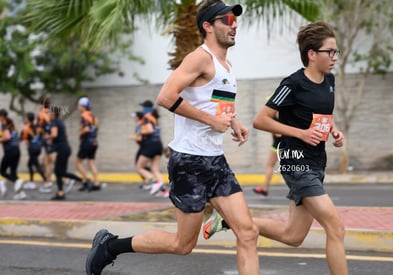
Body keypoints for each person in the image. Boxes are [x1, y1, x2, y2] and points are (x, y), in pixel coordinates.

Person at [85, 1, 260, 275]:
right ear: (208, 26)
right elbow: (166, 97)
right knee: (182, 244)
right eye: (226, 19)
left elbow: (215, 102)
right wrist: (213, 121)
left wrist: (233, 121)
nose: (234, 24)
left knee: (248, 232)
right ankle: (110, 247)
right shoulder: (199, 58)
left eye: (235, 19)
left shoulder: (226, 64)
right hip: (189, 162)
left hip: (215, 162)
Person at [203, 22, 349, 275]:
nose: (335, 57)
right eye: (330, 52)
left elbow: (321, 115)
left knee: (293, 236)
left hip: (316, 163)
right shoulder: (293, 84)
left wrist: (333, 130)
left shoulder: (330, 81)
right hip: (296, 163)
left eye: (336, 52)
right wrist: (301, 133)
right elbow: (262, 119)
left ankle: (229, 221)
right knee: (335, 228)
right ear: (312, 54)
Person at [43, 102, 85, 200]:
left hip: (62, 150)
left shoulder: (54, 123)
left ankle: (83, 181)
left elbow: (54, 134)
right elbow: (64, 135)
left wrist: (47, 137)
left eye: (49, 112)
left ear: (53, 113)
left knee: (59, 172)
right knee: (60, 172)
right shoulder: (59, 122)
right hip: (64, 149)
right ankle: (61, 192)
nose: (48, 114)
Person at [135, 100, 167, 196]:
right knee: (155, 169)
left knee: (139, 167)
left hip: (150, 145)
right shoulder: (154, 117)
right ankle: (164, 191)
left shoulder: (146, 118)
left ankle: (155, 183)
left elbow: (150, 130)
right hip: (158, 145)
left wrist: (140, 132)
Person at [252, 114, 282, 197]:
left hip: (278, 145)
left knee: (270, 166)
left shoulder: (275, 116)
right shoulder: (284, 115)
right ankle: (264, 187)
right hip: (281, 144)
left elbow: (278, 134)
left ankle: (265, 188)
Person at [0, 109, 26, 200]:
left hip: (10, 151)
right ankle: (21, 193)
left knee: (2, 171)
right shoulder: (12, 124)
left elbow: (7, 137)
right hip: (16, 150)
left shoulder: (4, 125)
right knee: (13, 172)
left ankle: (18, 181)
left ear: (2, 117)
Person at [76, 97, 99, 192]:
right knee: (91, 162)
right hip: (94, 141)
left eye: (79, 105)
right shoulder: (94, 116)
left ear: (83, 106)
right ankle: (96, 182)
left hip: (86, 142)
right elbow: (96, 130)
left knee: (78, 162)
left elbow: (86, 129)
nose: (78, 107)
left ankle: (86, 181)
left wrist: (80, 133)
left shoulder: (84, 116)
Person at [20, 112, 47, 189]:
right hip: (38, 148)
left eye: (25, 117)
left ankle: (46, 181)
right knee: (30, 164)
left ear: (28, 119)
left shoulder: (26, 128)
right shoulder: (38, 127)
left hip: (32, 149)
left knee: (36, 165)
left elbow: (21, 138)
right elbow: (43, 134)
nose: (25, 119)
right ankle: (32, 181)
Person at [36, 95, 55, 193]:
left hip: (47, 140)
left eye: (38, 104)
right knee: (46, 161)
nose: (38, 106)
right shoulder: (51, 112)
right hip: (52, 139)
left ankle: (65, 178)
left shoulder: (41, 114)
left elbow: (39, 129)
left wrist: (38, 133)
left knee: (49, 161)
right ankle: (48, 182)